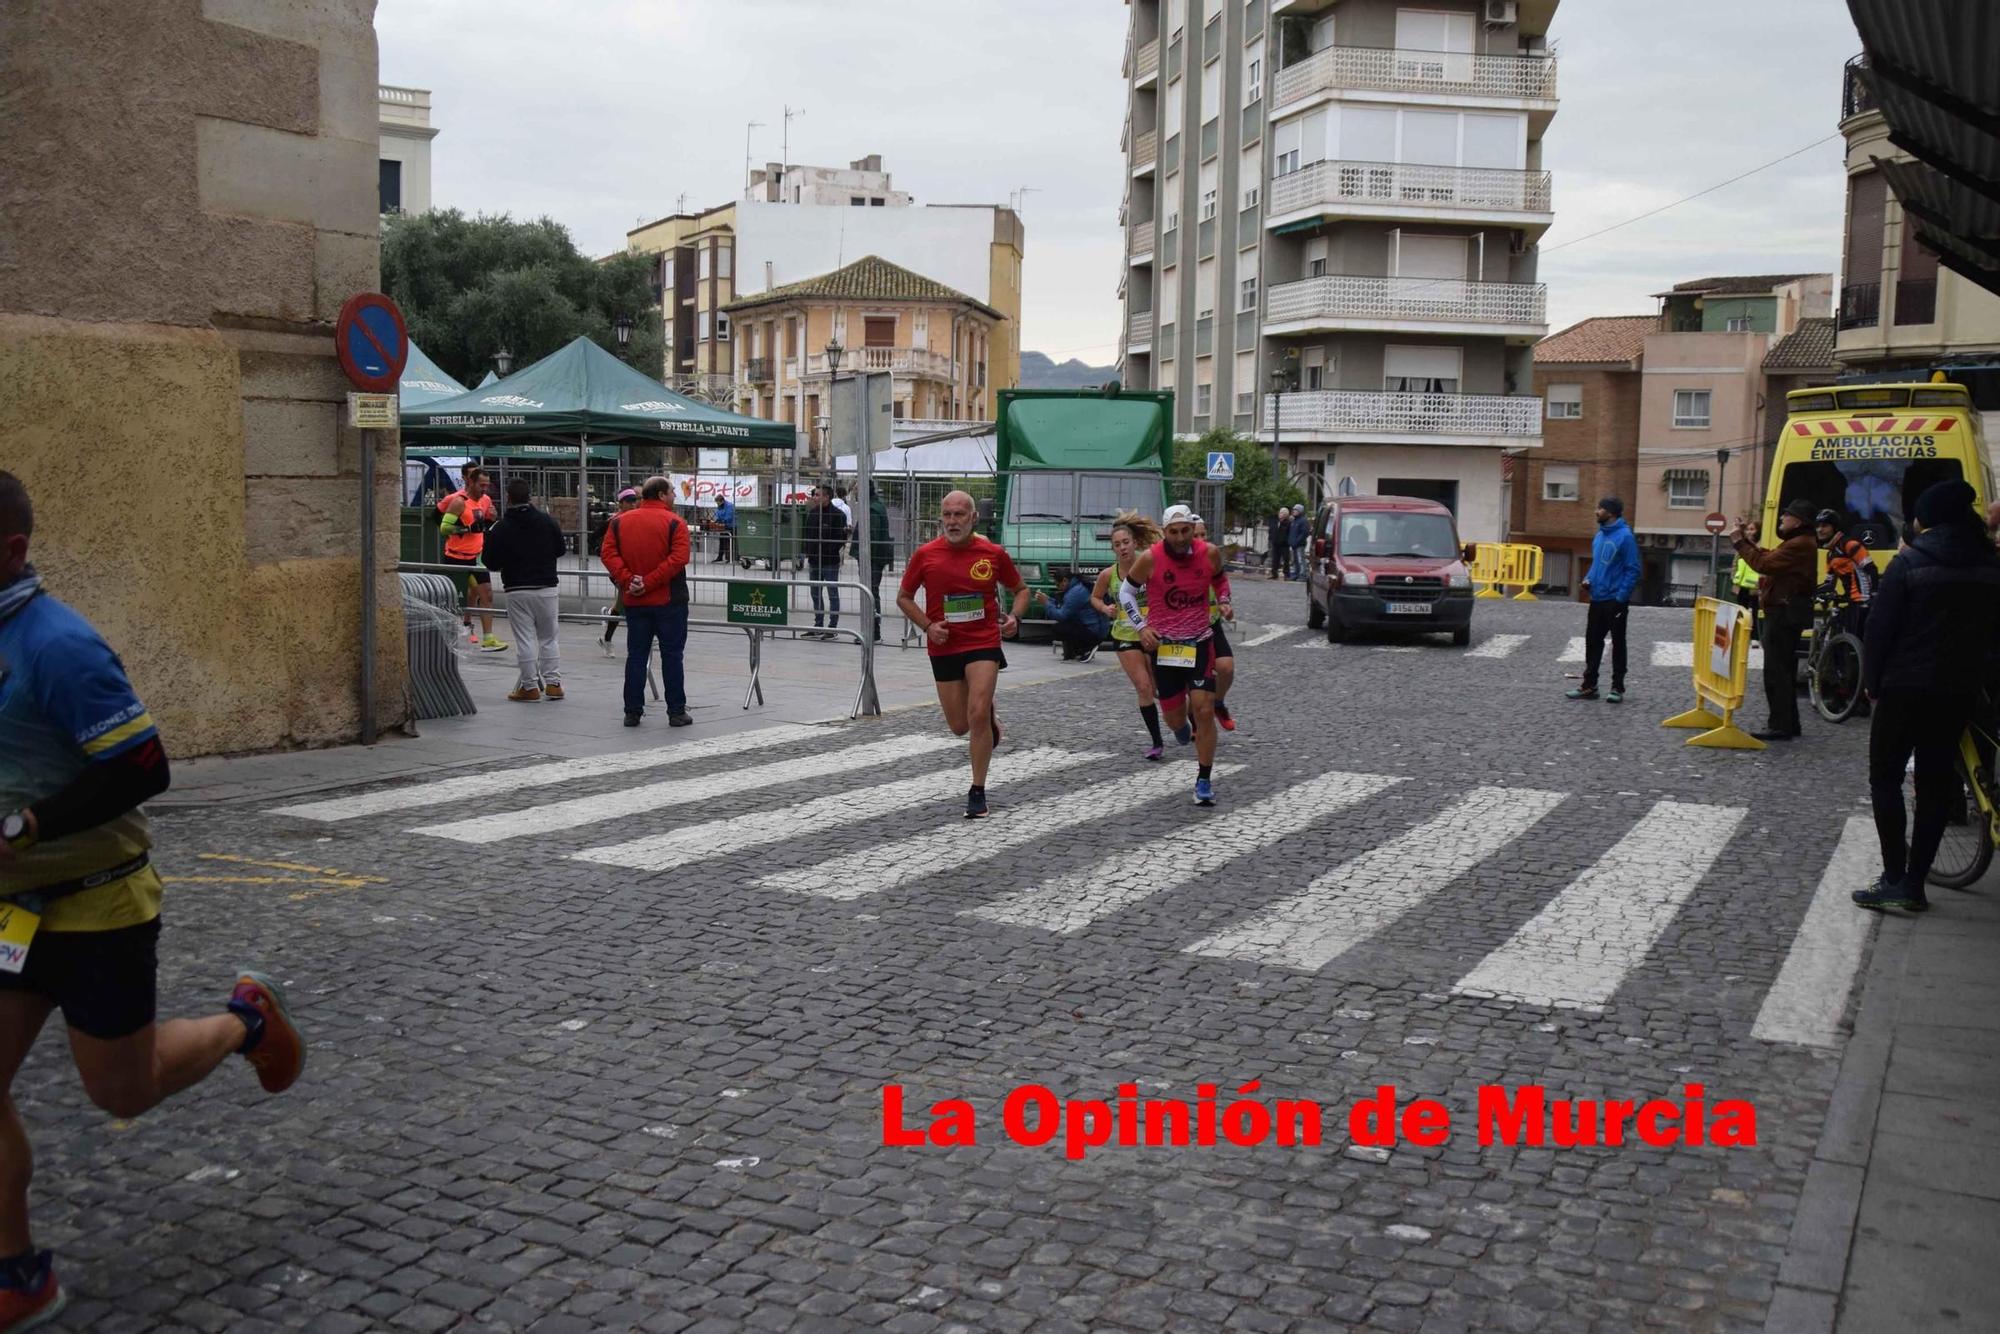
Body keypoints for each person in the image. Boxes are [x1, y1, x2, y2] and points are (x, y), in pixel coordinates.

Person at [0, 472, 305, 1326]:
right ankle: (15, 1277)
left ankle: (248, 1019)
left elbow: (144, 768)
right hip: (9, 915)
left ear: (13, 550)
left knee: (124, 1093)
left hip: (97, 905)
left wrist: (25, 827)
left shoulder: (56, 645)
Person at [1855, 479, 2000, 911]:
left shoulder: (1910, 563)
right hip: (1958, 690)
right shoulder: (1991, 566)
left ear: (1930, 518)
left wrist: (1873, 685)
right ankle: (1916, 883)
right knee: (1937, 784)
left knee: (1886, 778)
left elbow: (1879, 631)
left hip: (1904, 686)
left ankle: (1894, 876)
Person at [896, 490, 1028, 819]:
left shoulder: (993, 553)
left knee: (977, 712)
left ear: (973, 518)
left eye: (959, 514)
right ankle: (989, 722)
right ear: (941, 518)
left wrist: (1014, 617)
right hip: (944, 644)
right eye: (947, 515)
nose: (953, 521)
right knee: (958, 726)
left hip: (983, 640)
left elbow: (1021, 590)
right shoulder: (925, 555)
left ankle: (977, 791)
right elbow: (904, 597)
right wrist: (928, 626)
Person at [1119, 504, 1230, 806]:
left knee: (1203, 709)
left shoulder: (1208, 553)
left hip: (1199, 642)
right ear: (1164, 533)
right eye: (1174, 532)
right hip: (1164, 647)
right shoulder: (1151, 558)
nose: (1180, 538)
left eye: (1185, 531)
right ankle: (1181, 728)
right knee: (1174, 719)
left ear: (1193, 529)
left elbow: (1220, 578)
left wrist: (1224, 601)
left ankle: (1204, 779)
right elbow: (1125, 593)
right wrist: (1141, 627)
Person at [600, 476, 692, 729]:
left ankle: (632, 711)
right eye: (672, 491)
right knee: (672, 655)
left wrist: (630, 580)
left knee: (637, 655)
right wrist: (649, 582)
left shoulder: (619, 522)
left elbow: (608, 553)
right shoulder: (675, 522)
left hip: (635, 601)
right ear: (661, 494)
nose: (675, 496)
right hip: (669, 600)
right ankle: (676, 711)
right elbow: (679, 559)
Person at [1731, 497, 1821, 741]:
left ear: (1798, 521)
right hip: (1785, 610)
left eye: (1786, 515)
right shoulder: (1799, 542)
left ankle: (1780, 725)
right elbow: (1768, 555)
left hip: (1783, 612)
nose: (1782, 518)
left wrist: (1740, 543)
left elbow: (1763, 563)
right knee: (1784, 670)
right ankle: (1789, 722)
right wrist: (1747, 540)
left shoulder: (1799, 544)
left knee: (1776, 671)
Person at [483, 477, 569, 703]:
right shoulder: (547, 521)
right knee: (549, 637)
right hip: (547, 587)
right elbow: (560, 549)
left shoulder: (501, 527)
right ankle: (554, 683)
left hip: (517, 588)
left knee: (525, 639)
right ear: (530, 497)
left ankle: (529, 687)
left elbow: (490, 562)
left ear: (508, 498)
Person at [1093, 513, 1166, 759]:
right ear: (1113, 549)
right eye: (1117, 544)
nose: (1122, 547)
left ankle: (1185, 723)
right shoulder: (1108, 575)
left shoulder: (1149, 566)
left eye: (1126, 542)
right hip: (1125, 636)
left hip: (1153, 633)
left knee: (1161, 689)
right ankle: (1157, 742)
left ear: (1135, 543)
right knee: (1144, 688)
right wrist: (1105, 608)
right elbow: (1094, 597)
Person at [1567, 497, 1641, 703]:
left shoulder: (1625, 537)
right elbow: (1598, 565)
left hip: (1615, 600)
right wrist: (1588, 579)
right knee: (1592, 642)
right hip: (1597, 598)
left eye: (1600, 508)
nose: (1596, 511)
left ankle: (1617, 687)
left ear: (1611, 513)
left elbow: (1633, 569)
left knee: (1618, 643)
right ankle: (1589, 686)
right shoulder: (1599, 535)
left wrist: (1621, 597)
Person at [438, 465, 506, 652]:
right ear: (471, 482)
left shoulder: (484, 501)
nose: (484, 489)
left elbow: (484, 523)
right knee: (453, 600)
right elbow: (444, 528)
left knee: (487, 594)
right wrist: (466, 529)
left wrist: (492, 519)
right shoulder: (459, 501)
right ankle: (445, 636)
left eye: (487, 486)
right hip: (456, 557)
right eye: (481, 485)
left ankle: (489, 639)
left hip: (476, 557)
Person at [1192, 517, 1238, 730]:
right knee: (1192, 679)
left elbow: (1222, 582)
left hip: (1211, 623)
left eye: (1203, 534)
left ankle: (1218, 702)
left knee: (1226, 667)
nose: (1201, 539)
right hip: (1184, 629)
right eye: (1196, 535)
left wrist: (1224, 603)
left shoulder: (1211, 555)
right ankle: (1194, 718)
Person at [1815, 508, 1878, 642]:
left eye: (1825, 526)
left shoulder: (1850, 545)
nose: (1820, 530)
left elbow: (1871, 569)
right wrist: (1813, 592)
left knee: (1858, 639)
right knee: (1844, 635)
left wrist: (1873, 595)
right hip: (1850, 599)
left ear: (1835, 528)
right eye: (1818, 526)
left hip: (1862, 599)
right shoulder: (1831, 554)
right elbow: (1829, 583)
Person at [802, 485, 848, 640]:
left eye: (818, 495)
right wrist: (808, 551)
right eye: (814, 495)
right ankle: (818, 625)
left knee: (832, 593)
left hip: (830, 561)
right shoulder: (812, 514)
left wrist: (828, 550)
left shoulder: (838, 515)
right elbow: (807, 534)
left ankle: (832, 627)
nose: (815, 497)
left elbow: (841, 538)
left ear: (827, 497)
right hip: (814, 560)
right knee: (815, 592)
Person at [850, 483, 894, 644]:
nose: (854, 493)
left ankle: (873, 632)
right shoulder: (873, 506)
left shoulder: (872, 509)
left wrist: (864, 556)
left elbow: (871, 537)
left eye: (856, 490)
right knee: (870, 593)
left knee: (870, 593)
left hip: (872, 559)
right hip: (873, 558)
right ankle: (871, 631)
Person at [1035, 571, 1109, 662]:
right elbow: (1066, 607)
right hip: (1096, 627)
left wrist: (1046, 603)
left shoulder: (1075, 592)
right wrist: (1049, 600)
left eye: (1058, 585)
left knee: (1059, 628)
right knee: (1066, 624)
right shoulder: (1078, 587)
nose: (1058, 588)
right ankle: (1077, 651)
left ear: (1065, 580)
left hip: (1094, 631)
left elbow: (1061, 615)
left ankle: (1086, 648)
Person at [600, 488, 639, 655]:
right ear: (620, 503)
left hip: (634, 569)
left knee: (624, 604)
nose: (632, 504)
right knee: (628, 603)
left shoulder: (637, 518)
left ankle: (607, 635)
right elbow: (596, 537)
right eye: (628, 501)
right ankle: (609, 640)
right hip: (620, 570)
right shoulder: (615, 521)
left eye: (634, 500)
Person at [1732, 520, 1763, 637]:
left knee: (1755, 612)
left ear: (1758, 531)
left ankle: (1754, 636)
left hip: (1755, 586)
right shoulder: (1743, 546)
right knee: (1741, 611)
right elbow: (1735, 563)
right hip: (1741, 584)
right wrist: (1734, 578)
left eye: (1752, 529)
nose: (1749, 532)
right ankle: (1740, 634)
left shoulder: (1760, 546)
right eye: (1748, 529)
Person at [710, 493, 736, 564]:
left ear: (722, 501)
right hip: (723, 526)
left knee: (729, 541)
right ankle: (720, 556)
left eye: (718, 503)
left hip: (731, 526)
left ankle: (729, 557)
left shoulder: (730, 506)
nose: (717, 504)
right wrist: (717, 520)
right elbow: (718, 515)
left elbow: (729, 517)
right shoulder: (719, 507)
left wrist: (722, 521)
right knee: (721, 540)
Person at [1288, 506, 1310, 581]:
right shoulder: (1294, 521)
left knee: (1300, 559)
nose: (1294, 511)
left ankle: (1302, 574)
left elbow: (1304, 533)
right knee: (1294, 560)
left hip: (1299, 544)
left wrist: (1297, 541)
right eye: (1293, 510)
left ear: (1300, 511)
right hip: (1293, 544)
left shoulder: (1303, 521)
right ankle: (1296, 573)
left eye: (1296, 510)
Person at [1268, 507, 1290, 580]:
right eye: (1280, 512)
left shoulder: (1287, 523)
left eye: (1282, 513)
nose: (1280, 514)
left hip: (1284, 544)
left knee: (1285, 559)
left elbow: (1287, 533)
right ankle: (1274, 573)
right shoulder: (1276, 522)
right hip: (1275, 543)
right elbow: (1272, 530)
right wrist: (1271, 538)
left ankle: (1286, 574)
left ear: (1286, 515)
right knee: (1275, 559)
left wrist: (1286, 541)